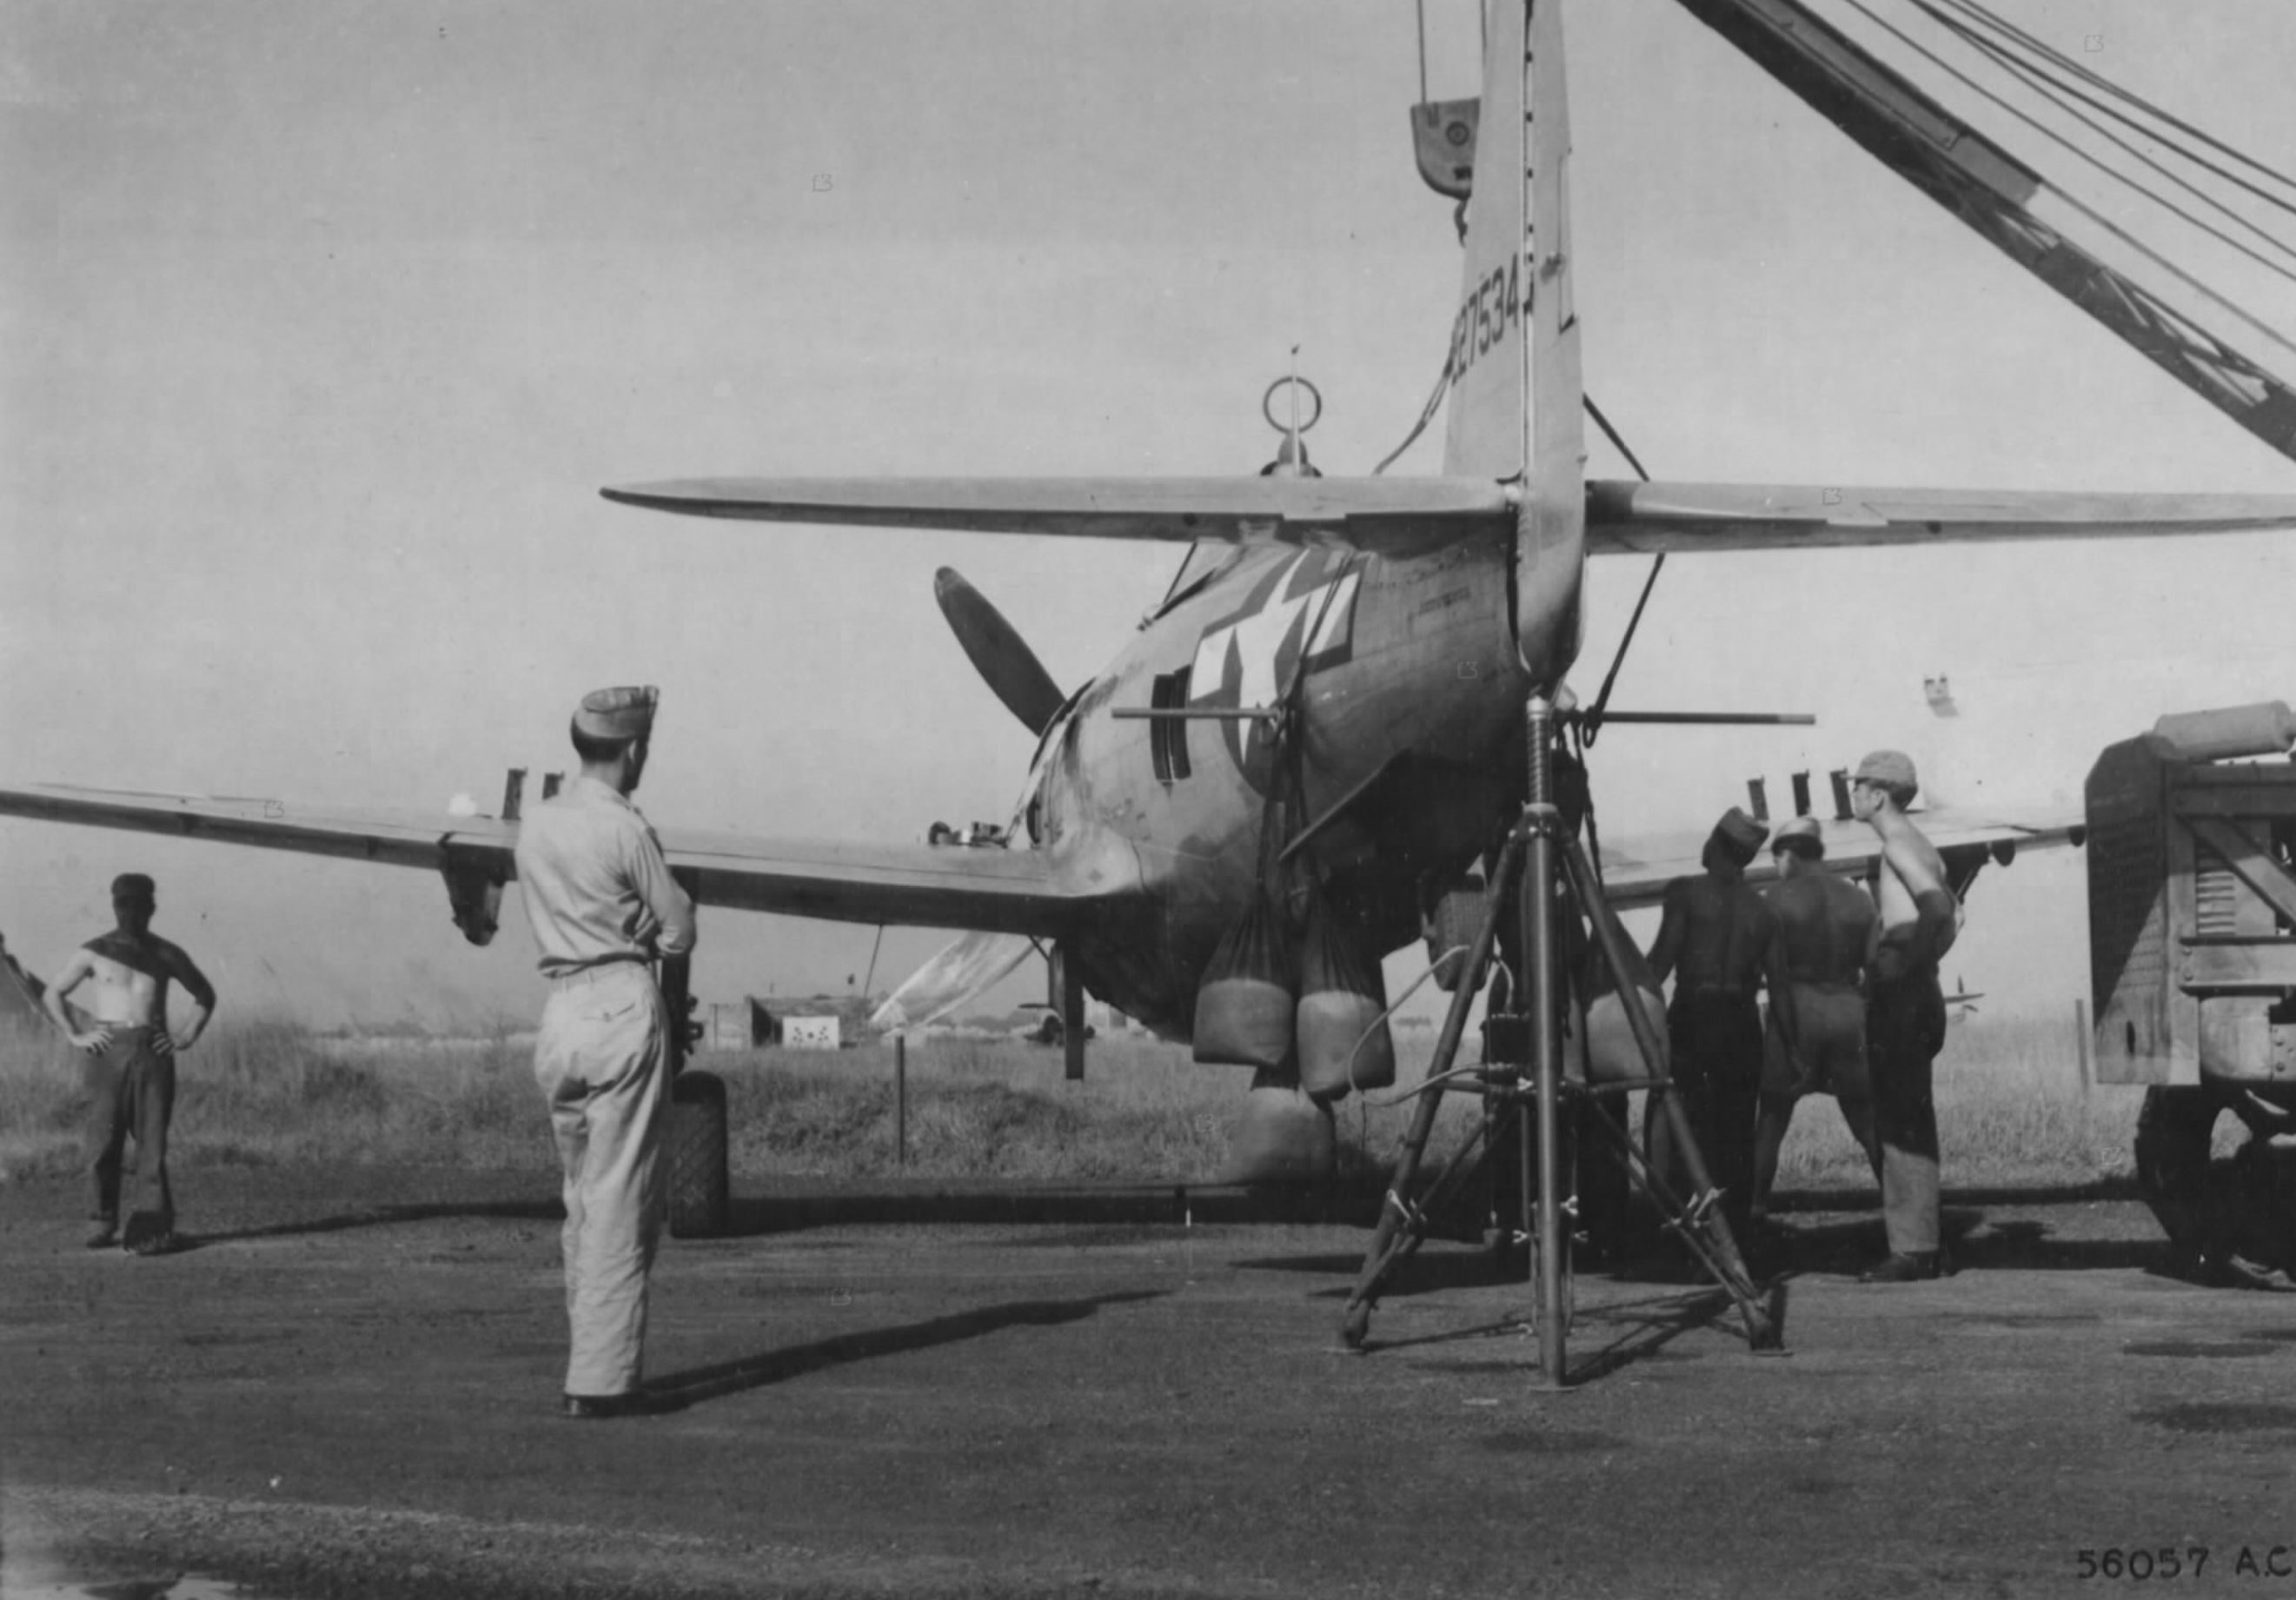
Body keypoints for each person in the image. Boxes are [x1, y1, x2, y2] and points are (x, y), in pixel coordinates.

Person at [514, 685, 696, 1418]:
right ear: (632, 748)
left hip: (560, 1013)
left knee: (582, 1196)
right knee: (624, 1198)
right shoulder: (626, 828)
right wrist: (648, 937)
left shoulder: (536, 824)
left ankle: (589, 1356)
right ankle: (601, 1380)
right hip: (622, 1000)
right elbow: (679, 926)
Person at [43, 873, 216, 1256]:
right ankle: (100, 1221)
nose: (130, 911)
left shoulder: (167, 954)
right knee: (102, 1141)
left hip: (152, 1050)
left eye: (138, 904)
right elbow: (53, 992)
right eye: (123, 904)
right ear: (114, 906)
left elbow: (204, 994)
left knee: (151, 1144)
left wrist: (185, 1036)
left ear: (151, 908)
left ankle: (153, 1227)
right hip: (107, 1050)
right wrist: (76, 1034)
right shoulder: (94, 951)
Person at [1850, 749, 1960, 1283]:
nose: (1852, 795)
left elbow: (1937, 907)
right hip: (1920, 992)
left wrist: (1905, 968)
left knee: (1899, 1124)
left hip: (1902, 995)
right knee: (1911, 1116)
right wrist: (1929, 962)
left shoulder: (1896, 843)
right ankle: (1924, 1243)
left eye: (1856, 786)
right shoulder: (1923, 844)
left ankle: (1913, 1250)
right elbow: (1955, 913)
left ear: (1877, 794)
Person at [1645, 807, 1777, 1239]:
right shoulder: (1761, 910)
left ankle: (1674, 1224)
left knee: (1678, 1119)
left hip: (1694, 1019)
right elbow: (1779, 983)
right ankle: (1730, 1231)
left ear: (1714, 844)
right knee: (1735, 1130)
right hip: (1741, 1025)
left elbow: (1660, 965)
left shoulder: (1685, 893)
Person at [1750, 815, 1878, 1232]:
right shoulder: (1859, 901)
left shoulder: (1774, 899)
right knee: (1867, 1120)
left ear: (1787, 854)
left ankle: (1754, 1212)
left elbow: (1760, 969)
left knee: (1771, 1119)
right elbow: (1874, 969)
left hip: (1796, 1009)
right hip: (1847, 1010)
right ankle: (1903, 1211)